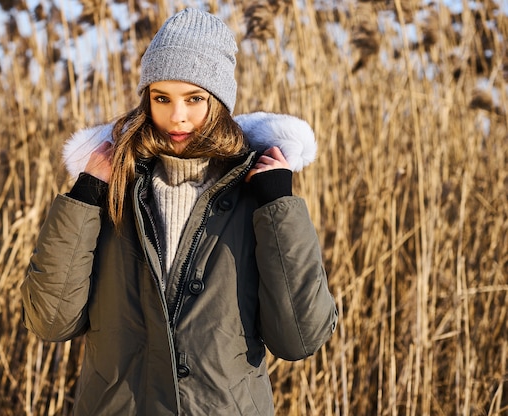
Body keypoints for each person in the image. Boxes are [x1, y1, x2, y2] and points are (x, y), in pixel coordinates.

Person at [21, 8, 338, 415]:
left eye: (194, 98)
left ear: (220, 100)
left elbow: (300, 336)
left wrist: (279, 205)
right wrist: (85, 194)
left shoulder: (255, 196)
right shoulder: (114, 189)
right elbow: (50, 320)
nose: (177, 117)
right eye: (161, 98)